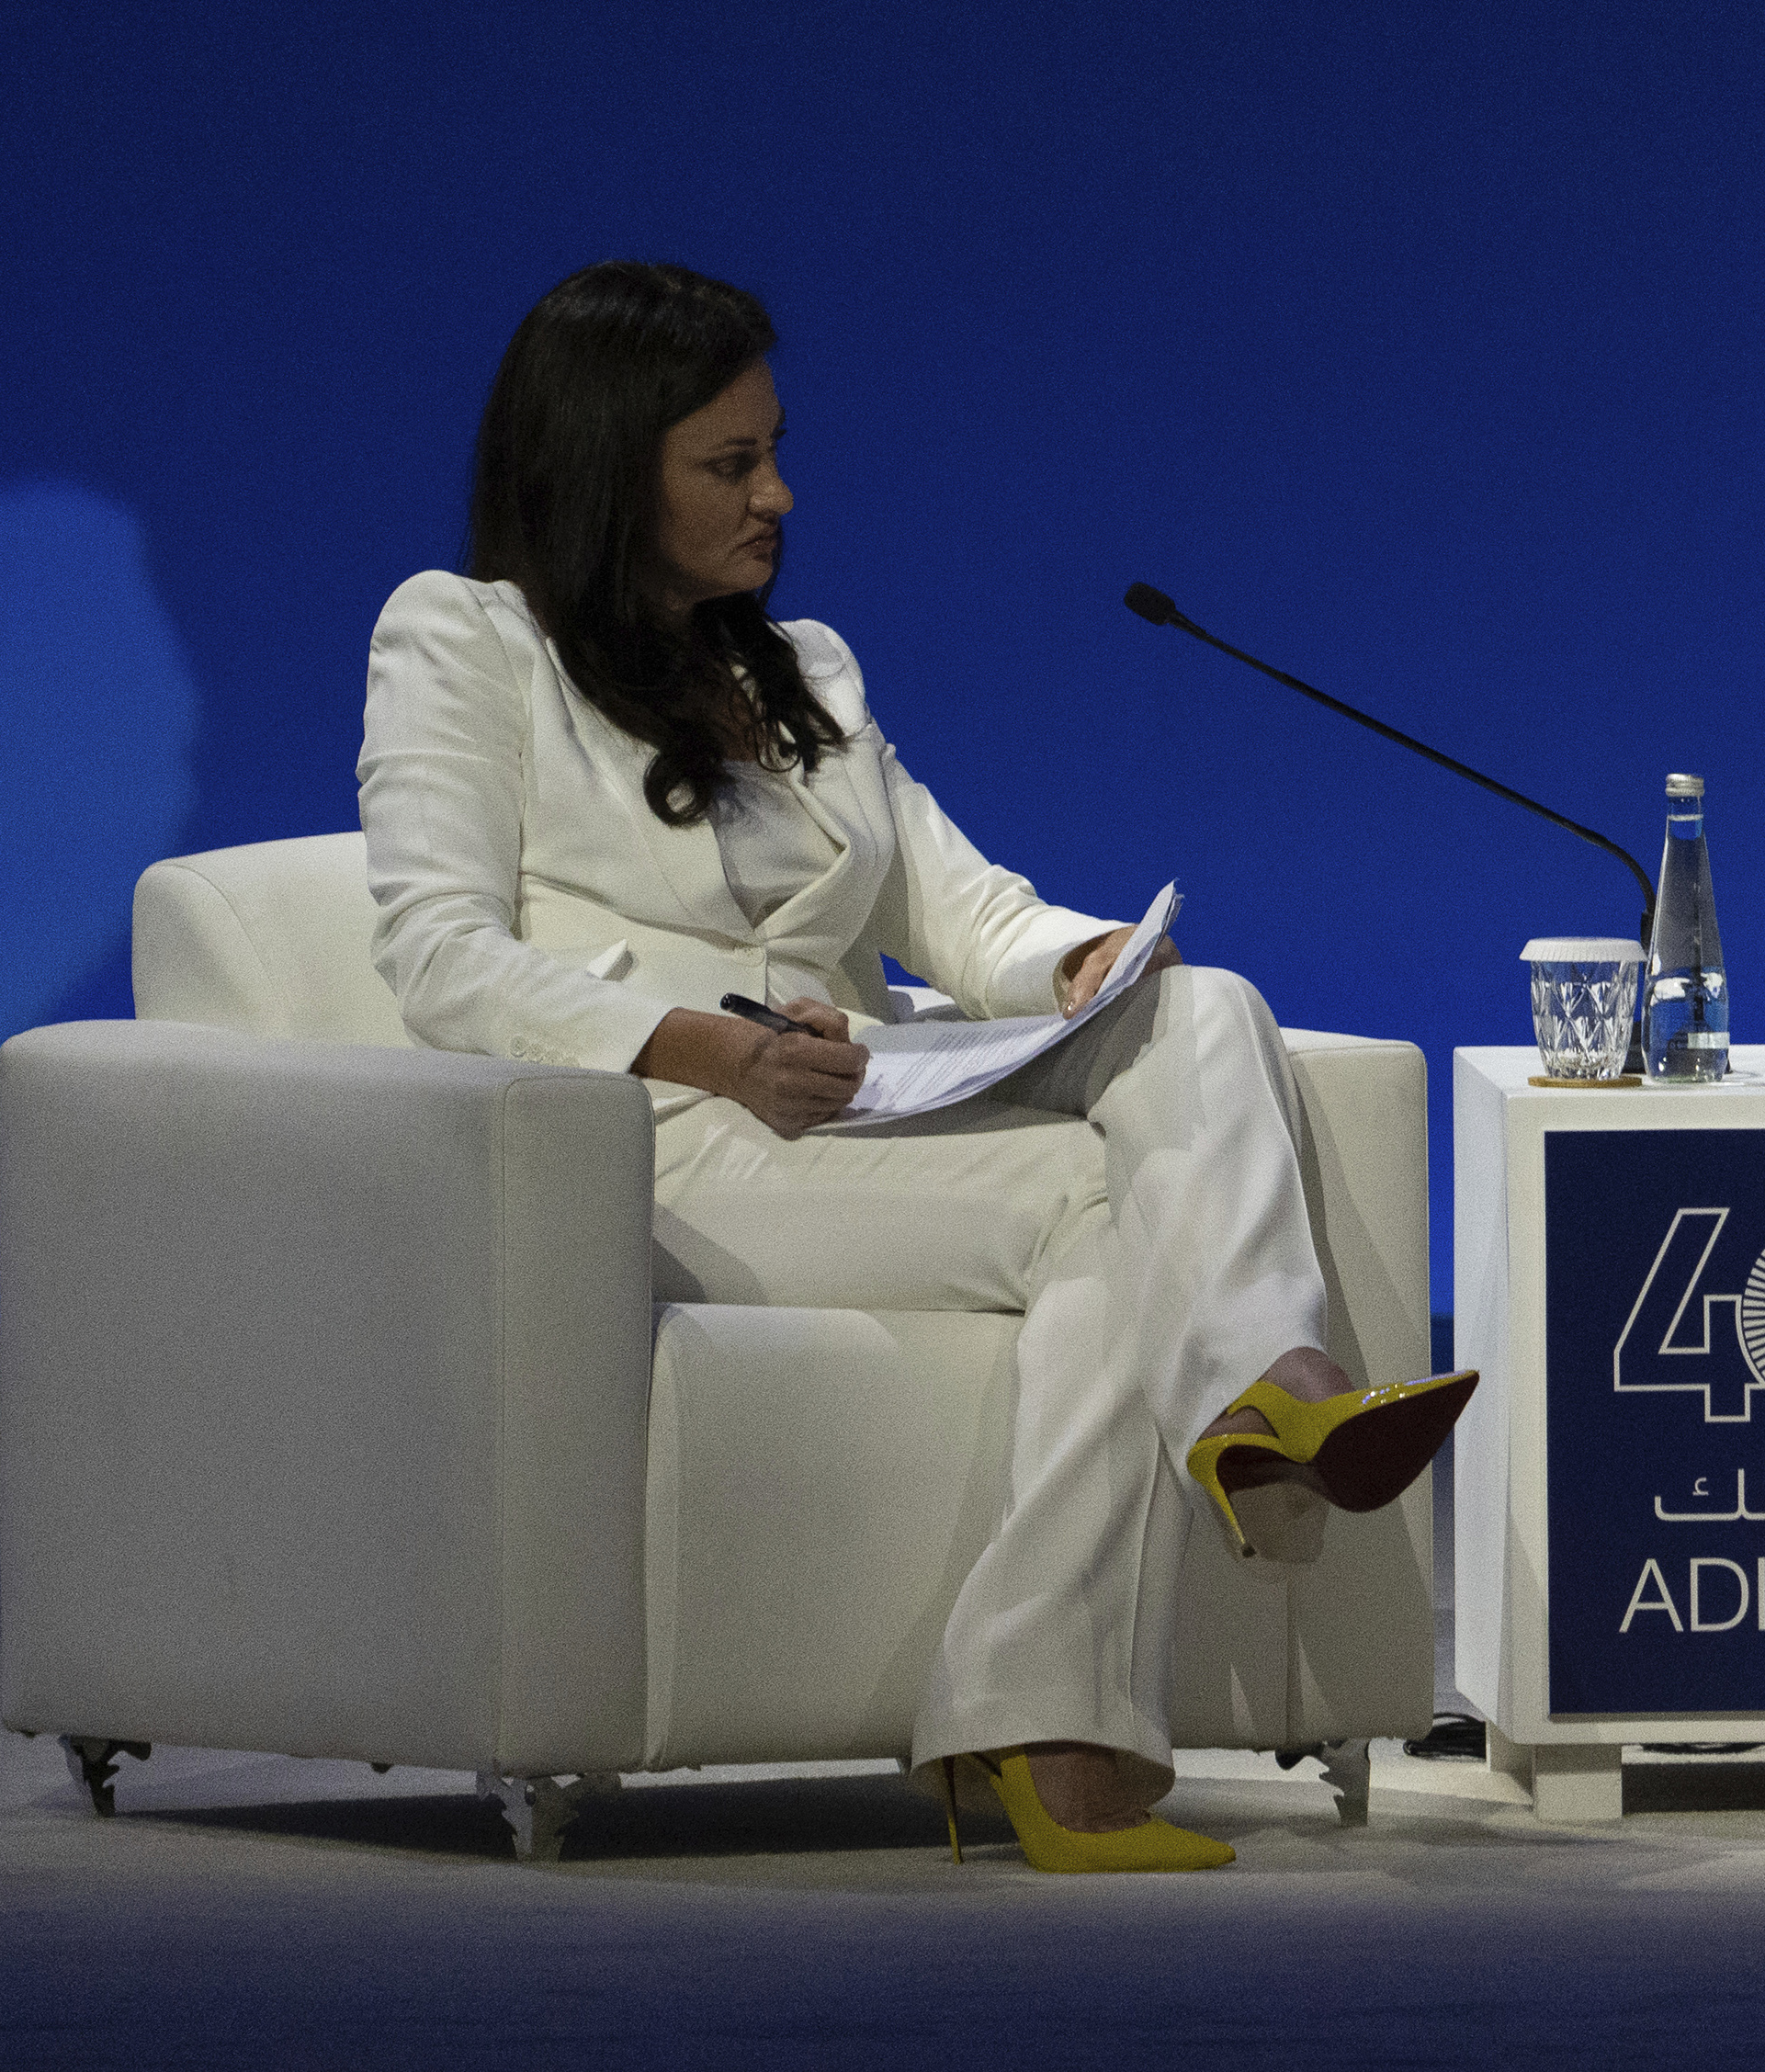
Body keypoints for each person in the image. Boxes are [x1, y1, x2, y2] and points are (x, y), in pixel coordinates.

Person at [357, 260, 1469, 1873]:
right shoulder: (465, 642)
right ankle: (1056, 1701)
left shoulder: (795, 668)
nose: (777, 495)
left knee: (1203, 1004)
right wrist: (712, 1052)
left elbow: (957, 905)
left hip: (859, 1101)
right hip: (653, 1138)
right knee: (1109, 1207)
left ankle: (1269, 1406)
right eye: (727, 464)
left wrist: (1072, 961)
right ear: (607, 470)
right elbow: (437, 957)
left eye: (775, 451)